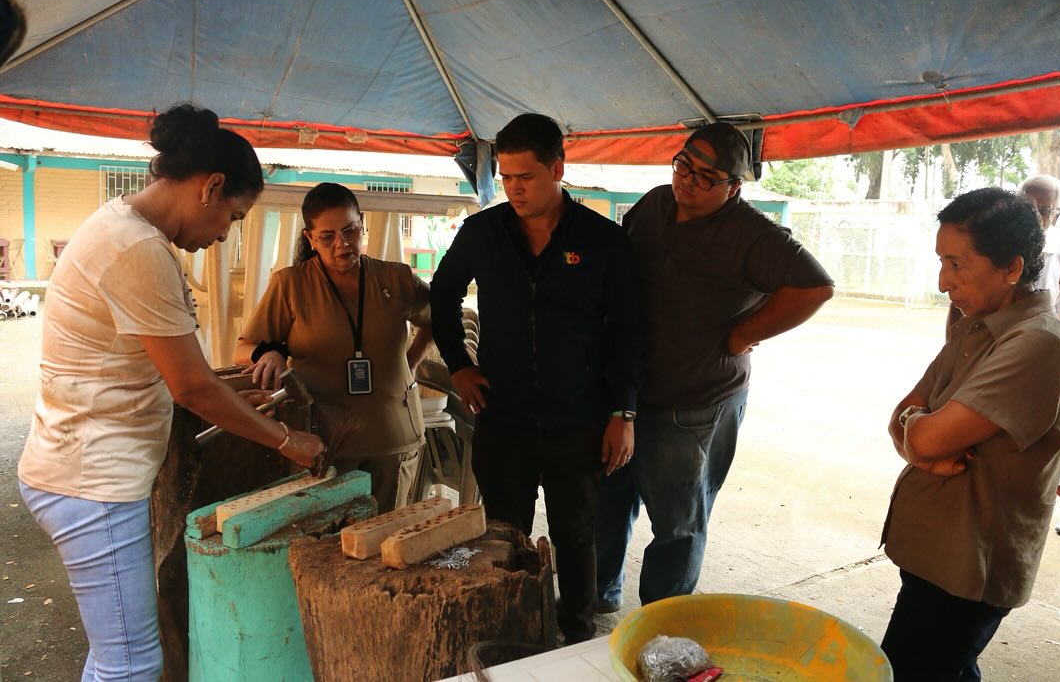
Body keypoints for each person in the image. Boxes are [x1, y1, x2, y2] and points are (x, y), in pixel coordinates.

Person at [17, 104, 325, 681]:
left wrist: (232, 395)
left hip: (83, 475)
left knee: (114, 654)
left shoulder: (123, 227)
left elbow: (173, 370)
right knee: (132, 664)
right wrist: (286, 439)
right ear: (210, 188)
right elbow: (189, 387)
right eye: (232, 217)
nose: (222, 235)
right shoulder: (137, 249)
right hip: (93, 483)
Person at [595, 122, 834, 612]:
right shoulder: (655, 203)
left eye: (707, 177)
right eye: (684, 164)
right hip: (628, 392)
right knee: (608, 501)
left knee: (678, 523)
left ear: (735, 187)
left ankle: (662, 622)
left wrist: (746, 334)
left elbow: (815, 287)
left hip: (694, 403)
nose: (689, 181)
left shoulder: (752, 235)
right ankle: (599, 593)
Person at [429, 113, 641, 644]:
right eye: (505, 177)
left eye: (525, 177)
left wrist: (624, 412)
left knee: (575, 536)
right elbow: (442, 293)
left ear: (558, 169)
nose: (514, 189)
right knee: (504, 537)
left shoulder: (602, 241)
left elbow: (629, 332)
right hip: (504, 418)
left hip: (579, 421)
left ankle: (576, 635)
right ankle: (508, 634)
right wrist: (458, 363)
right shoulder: (483, 232)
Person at [881, 187, 1060, 681]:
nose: (943, 282)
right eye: (942, 262)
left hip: (968, 566)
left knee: (909, 670)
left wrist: (916, 436)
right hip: (936, 548)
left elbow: (924, 435)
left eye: (957, 264)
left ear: (1011, 267)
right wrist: (916, 433)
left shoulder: (1036, 343)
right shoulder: (976, 324)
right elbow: (903, 413)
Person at [235, 182, 433, 513]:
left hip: (393, 437)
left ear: (362, 224)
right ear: (310, 239)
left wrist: (408, 367)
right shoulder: (291, 284)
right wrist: (270, 352)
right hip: (324, 441)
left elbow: (436, 319)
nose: (341, 244)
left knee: (391, 542)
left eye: (350, 231)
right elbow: (244, 348)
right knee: (331, 543)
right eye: (327, 237)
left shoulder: (397, 279)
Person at [945, 174, 1060, 334]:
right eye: (1026, 206)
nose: (1032, 216)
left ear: (1056, 216)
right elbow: (959, 310)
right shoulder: (987, 249)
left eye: (1043, 210)